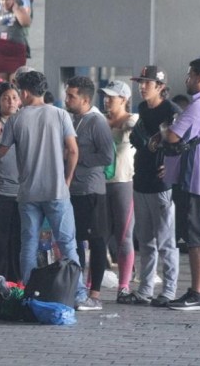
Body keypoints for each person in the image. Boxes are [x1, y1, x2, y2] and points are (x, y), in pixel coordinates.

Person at [0, 71, 87, 303]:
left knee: (29, 244)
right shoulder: (60, 115)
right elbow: (74, 150)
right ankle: (79, 294)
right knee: (67, 244)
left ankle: (27, 293)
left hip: (27, 193)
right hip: (57, 190)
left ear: (24, 93)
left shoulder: (16, 119)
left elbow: (1, 152)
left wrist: (0, 135)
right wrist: (66, 179)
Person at [161, 58, 200, 311]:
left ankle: (197, 294)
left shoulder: (198, 107)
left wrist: (166, 127)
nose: (185, 80)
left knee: (197, 237)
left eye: (189, 75)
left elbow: (173, 135)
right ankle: (195, 291)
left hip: (196, 180)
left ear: (199, 77)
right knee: (198, 236)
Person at [124, 66, 180, 307]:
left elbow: (184, 144)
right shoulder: (142, 109)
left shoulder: (172, 111)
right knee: (145, 240)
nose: (142, 86)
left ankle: (168, 290)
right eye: (140, 82)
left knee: (166, 241)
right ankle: (145, 289)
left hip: (162, 186)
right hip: (141, 181)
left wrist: (172, 167)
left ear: (160, 86)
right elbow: (137, 139)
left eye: (147, 82)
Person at [65, 76, 115, 311]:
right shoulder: (73, 119)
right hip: (72, 189)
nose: (67, 99)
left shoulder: (97, 122)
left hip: (91, 190)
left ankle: (94, 294)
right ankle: (77, 289)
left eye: (71, 96)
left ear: (85, 99)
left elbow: (107, 157)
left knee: (95, 241)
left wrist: (76, 157)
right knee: (73, 241)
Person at [98, 80, 138, 303]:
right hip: (101, 184)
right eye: (105, 96)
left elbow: (133, 131)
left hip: (124, 183)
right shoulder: (100, 121)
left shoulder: (133, 121)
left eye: (111, 96)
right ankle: (90, 284)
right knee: (98, 237)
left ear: (123, 100)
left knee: (124, 236)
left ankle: (123, 286)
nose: (107, 99)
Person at [0, 83, 22, 281]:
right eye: (6, 98)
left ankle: (16, 282)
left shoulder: (23, 123)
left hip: (20, 191)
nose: (10, 101)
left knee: (17, 241)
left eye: (14, 97)